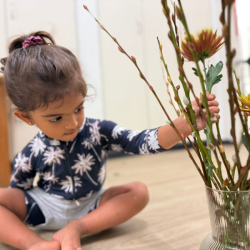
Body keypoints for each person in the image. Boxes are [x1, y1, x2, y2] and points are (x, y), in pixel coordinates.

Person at [0, 31, 220, 250]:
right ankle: (34, 244)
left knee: (138, 192)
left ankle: (77, 228)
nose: (72, 123)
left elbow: (140, 141)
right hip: (45, 208)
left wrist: (183, 125)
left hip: (93, 208)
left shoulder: (98, 130)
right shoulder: (31, 152)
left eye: (78, 109)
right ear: (26, 117)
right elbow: (17, 195)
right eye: (56, 118)